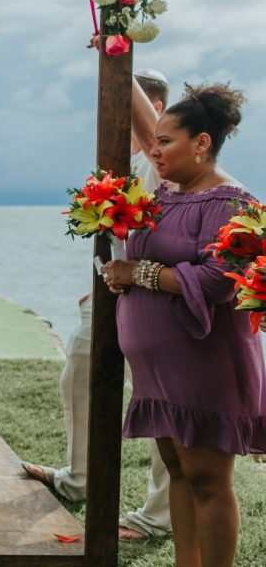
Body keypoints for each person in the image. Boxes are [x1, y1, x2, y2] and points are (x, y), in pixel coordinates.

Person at [100, 83, 266, 567]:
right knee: (178, 471)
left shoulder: (229, 201)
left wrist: (140, 274)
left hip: (204, 367)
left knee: (208, 481)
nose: (154, 149)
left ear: (202, 143)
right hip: (161, 372)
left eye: (166, 141)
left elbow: (218, 280)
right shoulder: (168, 192)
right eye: (155, 141)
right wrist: (123, 276)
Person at [21, 71, 174, 541]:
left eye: (124, 108)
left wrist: (115, 49)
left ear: (154, 108)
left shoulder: (161, 155)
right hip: (110, 289)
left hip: (159, 294)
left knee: (162, 401)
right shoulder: (117, 159)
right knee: (79, 374)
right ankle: (79, 479)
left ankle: (157, 517)